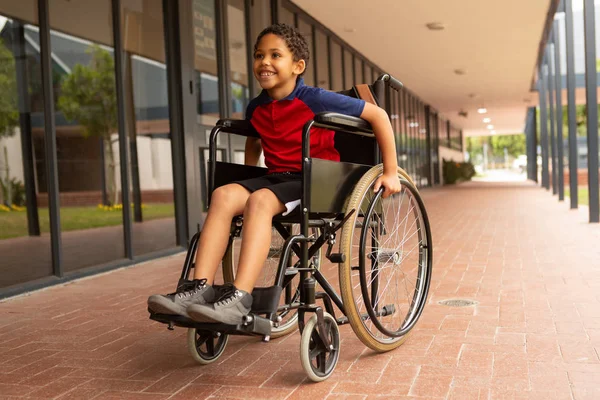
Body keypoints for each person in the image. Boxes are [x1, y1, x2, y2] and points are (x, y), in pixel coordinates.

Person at [147, 23, 401, 325]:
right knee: (224, 194)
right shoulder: (257, 107)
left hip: (316, 180)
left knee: (260, 201)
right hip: (277, 177)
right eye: (258, 55)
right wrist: (249, 177)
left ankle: (239, 298)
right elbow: (255, 138)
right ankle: (197, 289)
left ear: (297, 66)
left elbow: (378, 116)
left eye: (275, 55)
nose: (264, 61)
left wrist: (390, 171)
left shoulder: (316, 98)